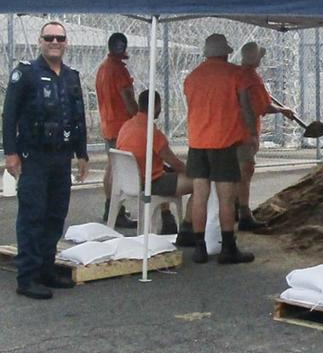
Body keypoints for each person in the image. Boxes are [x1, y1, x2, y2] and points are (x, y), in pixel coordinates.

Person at [3, 21, 89, 299]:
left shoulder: (71, 76)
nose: (55, 42)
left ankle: (46, 268)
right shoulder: (26, 74)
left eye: (60, 38)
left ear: (66, 43)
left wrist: (82, 153)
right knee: (32, 215)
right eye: (49, 37)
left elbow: (78, 116)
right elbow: (9, 115)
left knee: (55, 215)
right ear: (40, 41)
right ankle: (27, 277)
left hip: (61, 157)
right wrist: (11, 153)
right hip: (34, 157)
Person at [183, 34, 258, 264]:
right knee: (226, 198)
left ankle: (199, 247)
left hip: (197, 143)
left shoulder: (192, 77)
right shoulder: (236, 74)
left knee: (199, 196)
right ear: (226, 52)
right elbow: (246, 107)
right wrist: (252, 133)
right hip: (224, 143)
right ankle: (228, 248)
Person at [116, 90, 194, 238]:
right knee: (200, 183)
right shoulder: (152, 132)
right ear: (157, 106)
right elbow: (175, 163)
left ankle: (167, 217)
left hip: (129, 181)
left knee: (165, 171)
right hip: (151, 183)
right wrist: (193, 171)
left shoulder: (126, 126)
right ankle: (188, 227)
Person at [237, 41, 294, 231]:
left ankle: (236, 208)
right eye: (260, 56)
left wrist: (282, 110)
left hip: (232, 132)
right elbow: (260, 106)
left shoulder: (237, 74)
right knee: (245, 172)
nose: (262, 58)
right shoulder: (251, 78)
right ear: (255, 58)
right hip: (245, 133)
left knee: (237, 174)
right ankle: (244, 214)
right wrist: (253, 131)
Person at [95, 32, 137, 228]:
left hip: (108, 123)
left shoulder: (103, 68)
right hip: (121, 124)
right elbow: (127, 97)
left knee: (111, 167)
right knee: (116, 170)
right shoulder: (118, 70)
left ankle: (109, 207)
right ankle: (115, 211)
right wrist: (138, 116)